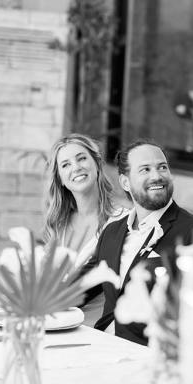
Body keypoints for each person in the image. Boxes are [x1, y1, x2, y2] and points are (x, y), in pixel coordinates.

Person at [80, 139, 193, 345]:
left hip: (151, 355)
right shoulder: (112, 232)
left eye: (162, 167)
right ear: (125, 182)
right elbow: (79, 288)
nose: (157, 176)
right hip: (101, 347)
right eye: (145, 169)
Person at [43, 133, 127, 325]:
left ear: (97, 165)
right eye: (66, 165)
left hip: (94, 333)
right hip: (55, 326)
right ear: (61, 179)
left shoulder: (121, 221)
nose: (76, 167)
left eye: (81, 158)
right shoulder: (60, 224)